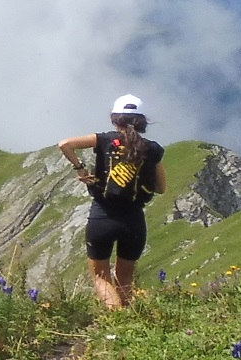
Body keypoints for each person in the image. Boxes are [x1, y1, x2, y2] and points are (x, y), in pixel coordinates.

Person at [57, 94, 166, 310]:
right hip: (134, 220)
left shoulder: (105, 140)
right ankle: (126, 325)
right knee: (125, 279)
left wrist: (80, 169)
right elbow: (161, 188)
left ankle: (118, 320)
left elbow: (65, 144)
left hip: (102, 216)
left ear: (115, 119)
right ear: (142, 122)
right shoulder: (152, 149)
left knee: (101, 277)